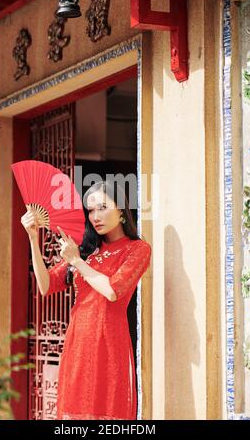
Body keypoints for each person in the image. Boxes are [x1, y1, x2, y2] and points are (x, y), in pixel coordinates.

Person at [21, 180, 152, 420]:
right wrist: (32, 238)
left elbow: (113, 290)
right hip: (78, 342)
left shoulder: (137, 249)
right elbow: (45, 285)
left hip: (109, 343)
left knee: (107, 413)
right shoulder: (86, 251)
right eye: (90, 210)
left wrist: (77, 262)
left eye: (102, 207)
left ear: (121, 209)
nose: (95, 216)